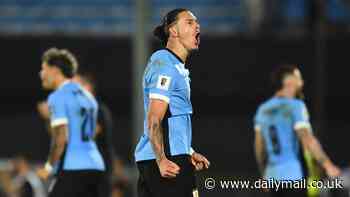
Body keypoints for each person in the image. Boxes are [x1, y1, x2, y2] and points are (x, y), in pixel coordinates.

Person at [134, 8, 210, 197]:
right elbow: (154, 119)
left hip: (172, 157)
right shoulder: (165, 65)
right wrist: (161, 160)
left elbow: (172, 118)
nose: (197, 26)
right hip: (167, 163)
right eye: (190, 22)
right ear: (173, 31)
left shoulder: (175, 67)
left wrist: (188, 151)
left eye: (197, 22)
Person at [254, 65, 341, 197]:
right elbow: (307, 139)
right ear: (288, 81)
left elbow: (259, 147)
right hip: (292, 176)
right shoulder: (295, 106)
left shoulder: (263, 109)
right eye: (298, 77)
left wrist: (263, 173)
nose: (302, 82)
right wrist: (327, 165)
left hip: (271, 176)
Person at [37, 48, 105, 197]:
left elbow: (61, 138)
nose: (41, 74)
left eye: (44, 69)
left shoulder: (58, 96)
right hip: (96, 166)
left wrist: (49, 167)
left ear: (55, 71)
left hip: (73, 167)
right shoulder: (88, 97)